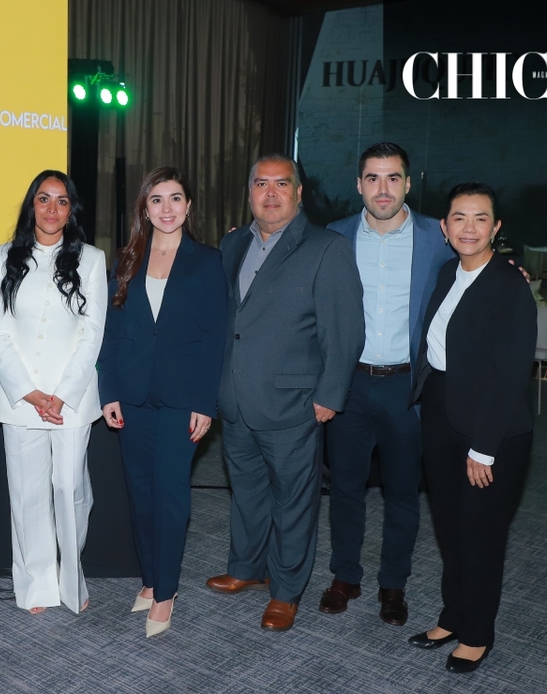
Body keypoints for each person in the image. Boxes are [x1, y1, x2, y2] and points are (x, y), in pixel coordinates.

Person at [206, 154, 364, 632]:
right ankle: (248, 569)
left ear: (298, 192)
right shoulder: (232, 243)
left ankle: (286, 590)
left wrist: (330, 396)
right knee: (248, 493)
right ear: (249, 191)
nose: (270, 193)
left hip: (295, 403)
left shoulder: (326, 248)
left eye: (281, 184)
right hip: (235, 399)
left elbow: (346, 331)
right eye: (260, 184)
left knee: (294, 501)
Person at [320, 142, 457, 625]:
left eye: (393, 178)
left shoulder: (437, 239)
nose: (383, 189)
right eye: (373, 178)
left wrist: (512, 271)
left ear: (408, 183)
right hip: (349, 386)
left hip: (408, 389)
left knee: (403, 493)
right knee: (346, 489)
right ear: (359, 184)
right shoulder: (332, 237)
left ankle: (393, 585)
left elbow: (478, 266)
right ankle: (345, 575)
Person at [408, 183, 536, 673]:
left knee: (480, 533)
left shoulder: (509, 285)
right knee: (448, 527)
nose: (468, 227)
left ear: (496, 227)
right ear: (444, 227)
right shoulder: (446, 272)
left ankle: (478, 632)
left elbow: (511, 374)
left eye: (480, 218)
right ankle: (453, 614)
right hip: (441, 411)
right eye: (458, 217)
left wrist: (484, 448)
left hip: (492, 427)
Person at [97, 167, 226, 637]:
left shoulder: (207, 261)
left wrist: (204, 401)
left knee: (170, 497)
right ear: (144, 208)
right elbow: (112, 331)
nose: (167, 208)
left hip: (180, 400)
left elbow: (214, 339)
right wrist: (108, 390)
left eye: (175, 198)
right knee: (140, 494)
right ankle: (150, 580)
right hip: (131, 397)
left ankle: (167, 593)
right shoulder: (127, 259)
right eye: (157, 200)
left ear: (188, 206)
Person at [0, 171, 107, 615]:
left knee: (69, 487)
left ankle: (71, 583)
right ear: (31, 205)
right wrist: (30, 392)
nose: (52, 209)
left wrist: (62, 392)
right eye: (43, 199)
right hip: (20, 398)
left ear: (71, 209)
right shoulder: (2, 257)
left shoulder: (92, 259)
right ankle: (35, 586)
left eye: (61, 201)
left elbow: (92, 333)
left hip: (71, 399)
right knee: (27, 493)